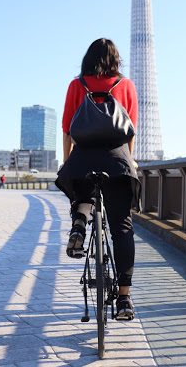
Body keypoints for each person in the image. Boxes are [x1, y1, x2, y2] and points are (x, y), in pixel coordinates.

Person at [56, 38, 140, 320]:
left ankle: (79, 223)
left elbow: (68, 128)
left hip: (83, 159)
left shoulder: (76, 85)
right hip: (117, 161)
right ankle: (124, 300)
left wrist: (68, 161)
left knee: (81, 187)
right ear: (116, 60)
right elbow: (130, 131)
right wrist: (129, 160)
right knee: (122, 227)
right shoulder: (126, 86)